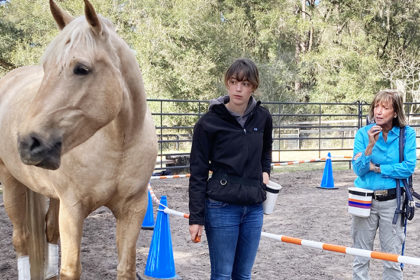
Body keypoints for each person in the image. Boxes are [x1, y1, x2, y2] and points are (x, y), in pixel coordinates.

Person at [188, 58, 273, 280]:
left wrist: (266, 170)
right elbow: (197, 173)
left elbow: (267, 148)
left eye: (245, 83)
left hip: (254, 208)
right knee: (223, 275)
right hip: (221, 207)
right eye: (234, 81)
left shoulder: (263, 117)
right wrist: (196, 218)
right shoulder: (208, 123)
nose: (238, 88)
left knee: (243, 275)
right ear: (227, 83)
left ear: (253, 87)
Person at [351, 89, 416, 280]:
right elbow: (359, 169)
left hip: (392, 203)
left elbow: (408, 167)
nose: (378, 111)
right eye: (376, 106)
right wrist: (370, 145)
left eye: (385, 107)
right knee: (361, 257)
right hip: (363, 201)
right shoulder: (363, 134)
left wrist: (378, 168)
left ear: (395, 112)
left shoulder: (407, 134)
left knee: (392, 259)